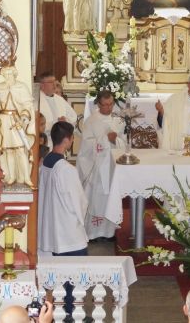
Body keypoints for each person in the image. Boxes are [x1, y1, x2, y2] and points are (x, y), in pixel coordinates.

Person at [77, 91, 125, 240]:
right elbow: (86, 145)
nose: (108, 108)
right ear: (98, 104)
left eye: (111, 104)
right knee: (97, 198)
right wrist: (105, 140)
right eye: (105, 105)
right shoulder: (91, 121)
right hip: (97, 169)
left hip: (112, 167)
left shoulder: (117, 120)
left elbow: (123, 142)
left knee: (111, 196)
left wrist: (116, 140)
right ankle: (94, 233)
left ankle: (109, 232)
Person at [38, 121, 89, 256]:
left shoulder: (44, 163)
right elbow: (79, 202)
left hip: (50, 228)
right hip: (67, 235)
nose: (73, 141)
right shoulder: (66, 169)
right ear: (66, 140)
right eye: (72, 138)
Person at [0, 66, 35, 187]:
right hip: (4, 121)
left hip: (17, 120)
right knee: (8, 150)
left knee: (21, 149)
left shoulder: (21, 87)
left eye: (10, 74)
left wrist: (23, 117)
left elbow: (28, 105)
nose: (8, 77)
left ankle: (26, 177)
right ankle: (11, 176)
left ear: (15, 74)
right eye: (6, 74)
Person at [36, 71, 77, 149]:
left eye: (54, 81)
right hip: (46, 142)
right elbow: (36, 123)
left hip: (60, 141)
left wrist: (65, 121)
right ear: (42, 85)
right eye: (51, 82)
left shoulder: (59, 99)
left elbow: (73, 117)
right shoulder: (37, 100)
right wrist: (55, 124)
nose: (54, 84)